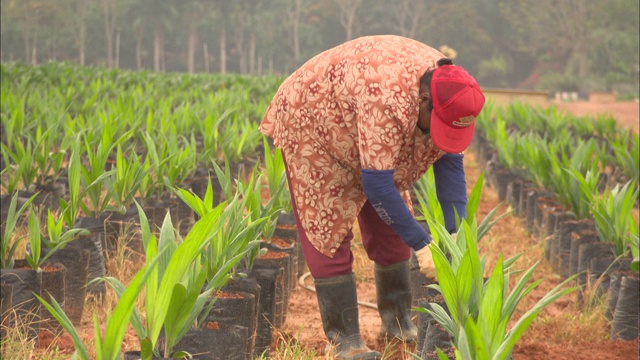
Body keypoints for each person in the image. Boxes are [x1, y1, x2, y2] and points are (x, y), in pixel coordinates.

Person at [260, 35, 485, 360]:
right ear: (423, 100)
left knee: (392, 228)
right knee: (327, 225)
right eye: (437, 123)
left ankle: (397, 322)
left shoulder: (453, 90)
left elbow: (450, 165)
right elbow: (378, 186)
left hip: (360, 116)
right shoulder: (387, 97)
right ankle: (344, 341)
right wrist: (423, 244)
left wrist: (454, 237)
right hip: (316, 122)